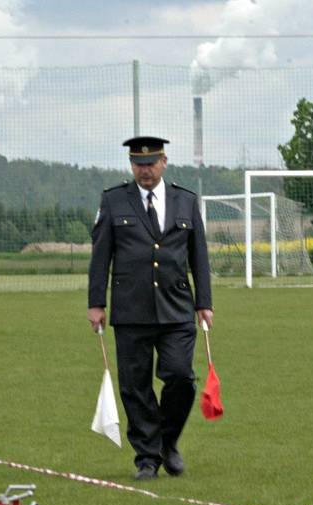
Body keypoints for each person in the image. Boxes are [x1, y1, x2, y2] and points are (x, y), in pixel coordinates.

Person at [87, 136, 213, 480]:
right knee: (135, 386)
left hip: (176, 308)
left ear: (164, 162)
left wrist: (205, 303)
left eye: (152, 162)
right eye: (139, 164)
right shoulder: (114, 201)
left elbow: (198, 255)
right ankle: (147, 458)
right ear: (131, 165)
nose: (145, 169)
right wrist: (96, 303)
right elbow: (101, 256)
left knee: (180, 376)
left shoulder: (185, 201)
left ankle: (166, 442)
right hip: (131, 310)